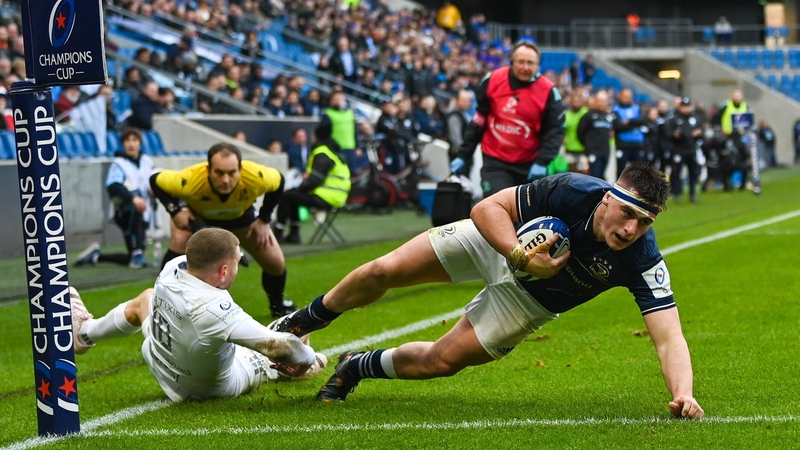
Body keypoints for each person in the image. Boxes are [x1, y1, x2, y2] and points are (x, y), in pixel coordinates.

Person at [270, 163, 704, 420]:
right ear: (608, 198)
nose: (631, 229)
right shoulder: (571, 189)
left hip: (531, 299)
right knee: (384, 270)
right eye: (627, 213)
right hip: (502, 239)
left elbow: (669, 337)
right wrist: (518, 254)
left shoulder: (643, 258)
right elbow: (485, 208)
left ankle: (357, 366)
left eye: (644, 222)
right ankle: (303, 321)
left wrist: (683, 394)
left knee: (439, 362)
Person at [70, 228, 327, 401]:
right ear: (224, 271)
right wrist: (305, 359)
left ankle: (84, 334)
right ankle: (317, 361)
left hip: (157, 357)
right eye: (237, 261)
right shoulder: (214, 309)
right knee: (299, 340)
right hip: (204, 389)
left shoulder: (173, 268)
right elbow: (277, 346)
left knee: (146, 299)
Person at [150, 143, 297, 319]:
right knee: (181, 238)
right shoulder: (189, 180)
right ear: (208, 169)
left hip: (241, 218)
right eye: (219, 173)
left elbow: (279, 181)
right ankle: (164, 308)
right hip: (200, 220)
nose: (226, 180)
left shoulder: (256, 176)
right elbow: (155, 180)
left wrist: (264, 219)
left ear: (241, 169)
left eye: (232, 173)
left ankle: (277, 306)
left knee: (275, 262)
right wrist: (176, 211)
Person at [450, 41, 565, 197]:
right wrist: (464, 154)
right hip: (495, 161)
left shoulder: (548, 92)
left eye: (530, 63)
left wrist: (542, 161)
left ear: (538, 66)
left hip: (529, 164)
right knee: (497, 208)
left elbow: (555, 130)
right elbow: (480, 119)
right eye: (521, 62)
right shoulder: (493, 80)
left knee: (524, 217)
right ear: (512, 62)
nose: (525, 67)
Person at [75, 128, 155, 269]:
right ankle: (136, 253)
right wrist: (132, 198)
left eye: (134, 140)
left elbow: (151, 181)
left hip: (145, 207)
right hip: (125, 209)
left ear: (140, 143)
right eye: (127, 140)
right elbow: (113, 186)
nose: (131, 144)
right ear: (123, 144)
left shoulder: (147, 161)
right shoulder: (118, 163)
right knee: (136, 248)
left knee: (135, 256)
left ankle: (96, 256)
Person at [274, 122, 351, 244]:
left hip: (326, 197)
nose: (311, 139)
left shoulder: (322, 153)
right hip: (338, 197)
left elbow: (315, 180)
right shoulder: (333, 152)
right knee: (293, 196)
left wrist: (300, 188)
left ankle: (278, 233)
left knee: (287, 196)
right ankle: (294, 235)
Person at [667, 97, 702, 203]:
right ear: (680, 107)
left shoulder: (695, 118)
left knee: (693, 173)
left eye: (688, 106)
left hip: (691, 149)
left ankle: (692, 194)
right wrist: (675, 135)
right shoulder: (675, 118)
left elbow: (701, 131)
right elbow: (669, 134)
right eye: (684, 106)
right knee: (677, 173)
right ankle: (677, 194)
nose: (686, 109)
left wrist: (699, 134)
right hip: (679, 150)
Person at [322, 91, 365, 172]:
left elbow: (355, 131)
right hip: (335, 149)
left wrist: (358, 146)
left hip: (350, 148)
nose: (338, 101)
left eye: (341, 98)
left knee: (352, 171)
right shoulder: (328, 113)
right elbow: (324, 133)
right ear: (331, 100)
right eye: (336, 99)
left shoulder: (350, 113)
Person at [577, 91, 615, 179]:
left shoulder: (608, 116)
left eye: (604, 101)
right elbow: (580, 132)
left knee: (601, 177)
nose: (602, 103)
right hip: (592, 152)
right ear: (595, 101)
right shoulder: (589, 115)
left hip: (605, 152)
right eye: (600, 100)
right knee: (594, 177)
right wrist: (588, 146)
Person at [613, 88, 646, 177]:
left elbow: (643, 121)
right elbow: (618, 125)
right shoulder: (615, 109)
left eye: (629, 97)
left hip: (637, 144)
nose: (627, 99)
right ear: (620, 96)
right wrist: (635, 124)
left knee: (639, 171)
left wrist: (629, 122)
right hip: (623, 144)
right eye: (625, 96)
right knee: (621, 171)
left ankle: (637, 190)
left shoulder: (637, 108)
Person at [445, 90, 474, 174]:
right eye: (464, 100)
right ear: (457, 100)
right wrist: (463, 152)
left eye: (468, 100)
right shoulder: (454, 116)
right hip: (458, 154)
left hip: (465, 153)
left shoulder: (465, 114)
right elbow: (455, 137)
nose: (467, 103)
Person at [563, 92, 589, 173]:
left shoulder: (586, 113)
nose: (575, 103)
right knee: (572, 172)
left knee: (585, 171)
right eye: (573, 101)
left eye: (578, 101)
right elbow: (563, 129)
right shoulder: (566, 115)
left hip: (583, 148)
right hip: (570, 147)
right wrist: (564, 138)